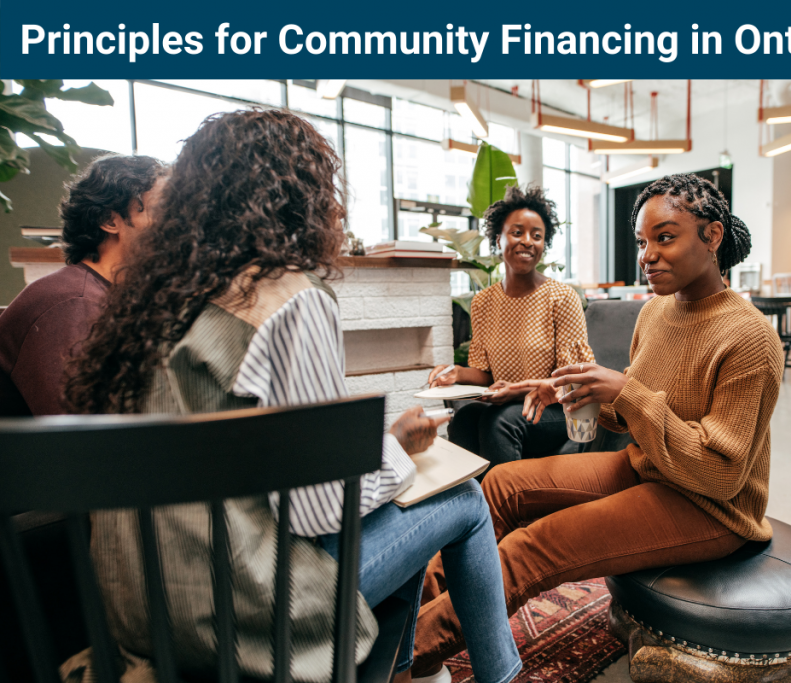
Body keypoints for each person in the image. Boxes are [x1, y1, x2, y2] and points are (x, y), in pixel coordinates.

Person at [63, 110, 520, 683]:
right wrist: (397, 456)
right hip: (242, 615)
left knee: (399, 506)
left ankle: (405, 675)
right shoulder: (286, 296)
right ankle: (500, 676)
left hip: (141, 609)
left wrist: (378, 451)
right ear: (301, 194)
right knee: (461, 503)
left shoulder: (149, 305)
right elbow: (318, 509)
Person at [411, 173, 785, 676]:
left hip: (710, 507)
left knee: (530, 548)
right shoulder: (654, 313)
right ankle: (395, 608)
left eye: (665, 237)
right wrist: (574, 391)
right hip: (649, 467)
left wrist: (627, 394)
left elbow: (722, 474)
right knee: (498, 486)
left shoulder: (749, 337)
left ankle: (393, 654)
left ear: (712, 236)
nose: (647, 255)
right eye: (642, 242)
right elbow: (625, 409)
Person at [426, 184, 594, 471]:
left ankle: (507, 512)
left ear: (544, 244)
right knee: (466, 418)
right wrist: (454, 373)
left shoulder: (562, 297)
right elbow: (484, 373)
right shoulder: (483, 302)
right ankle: (473, 506)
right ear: (497, 238)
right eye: (517, 232)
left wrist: (516, 391)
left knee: (498, 420)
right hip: (510, 406)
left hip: (556, 409)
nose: (527, 241)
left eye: (537, 236)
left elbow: (575, 380)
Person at [0, 154, 165, 416]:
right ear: (110, 221)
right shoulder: (73, 303)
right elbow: (83, 438)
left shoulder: (114, 297)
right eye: (162, 210)